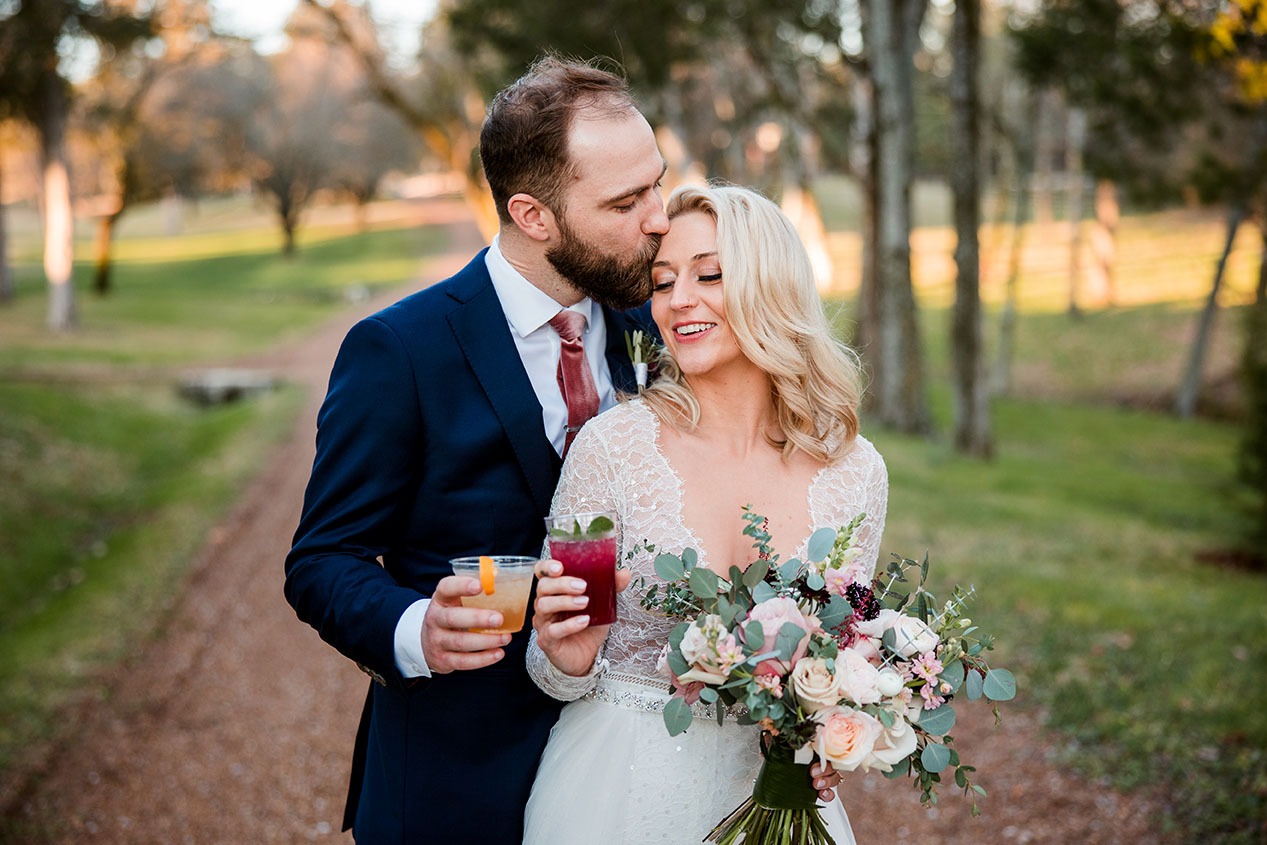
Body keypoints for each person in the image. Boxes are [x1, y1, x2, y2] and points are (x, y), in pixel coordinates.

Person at [283, 57, 668, 843]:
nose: (658, 217)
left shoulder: (653, 323)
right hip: (459, 774)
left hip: (628, 765)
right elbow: (323, 558)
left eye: (658, 184)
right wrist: (414, 627)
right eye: (626, 201)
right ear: (533, 214)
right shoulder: (399, 350)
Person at [522, 184, 889, 844]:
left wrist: (836, 732)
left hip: (779, 802)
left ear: (770, 285)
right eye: (662, 282)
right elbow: (550, 673)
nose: (676, 300)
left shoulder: (854, 470)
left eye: (709, 275)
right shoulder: (609, 449)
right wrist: (567, 655)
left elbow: (843, 658)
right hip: (615, 797)